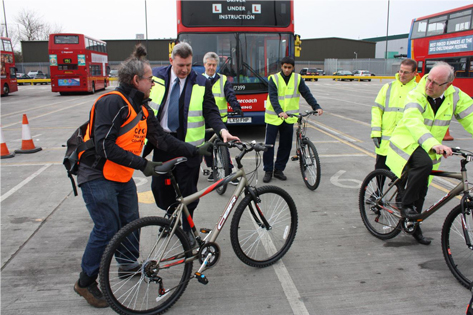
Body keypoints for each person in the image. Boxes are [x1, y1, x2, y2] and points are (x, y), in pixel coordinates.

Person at [73, 44, 211, 308]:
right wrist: (143, 164)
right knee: (106, 229)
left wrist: (195, 150)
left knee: (129, 221)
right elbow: (104, 145)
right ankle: (85, 281)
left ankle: (126, 265)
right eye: (149, 79)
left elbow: (162, 139)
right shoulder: (113, 102)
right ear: (137, 81)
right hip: (96, 174)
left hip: (120, 174)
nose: (153, 83)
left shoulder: (143, 109)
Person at [146, 42, 239, 246]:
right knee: (160, 190)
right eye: (180, 65)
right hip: (162, 143)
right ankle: (172, 218)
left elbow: (211, 111)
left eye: (188, 65)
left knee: (188, 192)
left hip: (190, 147)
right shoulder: (156, 78)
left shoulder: (200, 82)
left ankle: (187, 229)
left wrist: (222, 130)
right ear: (171, 61)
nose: (185, 70)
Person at [386, 61, 473, 245]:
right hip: (407, 142)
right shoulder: (417, 93)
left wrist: (433, 145)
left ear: (447, 85)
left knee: (423, 188)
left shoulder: (455, 96)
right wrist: (433, 144)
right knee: (424, 165)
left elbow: (471, 118)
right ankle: (406, 206)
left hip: (430, 147)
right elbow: (413, 121)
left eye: (435, 83)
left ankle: (414, 225)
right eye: (429, 79)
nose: (429, 85)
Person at [263, 56, 323, 183]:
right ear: (281, 67)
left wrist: (316, 106)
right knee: (269, 145)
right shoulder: (274, 79)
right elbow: (273, 97)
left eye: (289, 68)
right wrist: (279, 111)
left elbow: (306, 93)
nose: (287, 70)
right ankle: (268, 171)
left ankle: (279, 169)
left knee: (286, 145)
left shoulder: (297, 79)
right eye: (285, 67)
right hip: (274, 117)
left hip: (289, 118)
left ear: (293, 68)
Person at [201, 51, 242, 185]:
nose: (211, 68)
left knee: (223, 146)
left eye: (214, 65)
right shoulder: (198, 79)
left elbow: (230, 94)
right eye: (209, 65)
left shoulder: (223, 79)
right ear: (204, 65)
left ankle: (228, 172)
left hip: (220, 120)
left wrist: (236, 106)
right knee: (207, 148)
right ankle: (213, 170)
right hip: (203, 121)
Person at [371, 59, 417, 170]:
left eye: (406, 72)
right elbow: (377, 110)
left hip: (405, 143)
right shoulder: (388, 87)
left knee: (401, 174)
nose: (402, 74)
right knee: (380, 170)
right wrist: (376, 133)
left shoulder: (418, 91)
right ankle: (379, 188)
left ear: (414, 73)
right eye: (400, 71)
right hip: (386, 141)